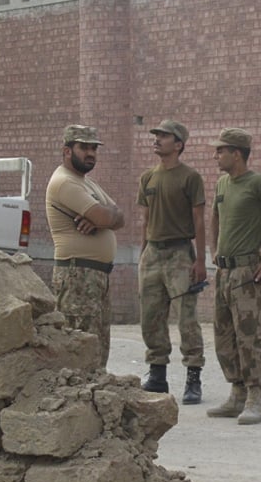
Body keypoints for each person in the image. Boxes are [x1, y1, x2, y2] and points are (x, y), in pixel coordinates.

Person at [207, 128, 261, 425]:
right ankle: (237, 393)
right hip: (224, 271)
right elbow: (215, 217)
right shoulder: (221, 183)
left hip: (247, 272)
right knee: (223, 336)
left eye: (221, 150)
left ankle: (255, 397)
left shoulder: (257, 183)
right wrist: (213, 249)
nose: (216, 155)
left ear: (237, 153)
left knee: (248, 335)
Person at [138, 120, 208, 403]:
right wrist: (144, 255)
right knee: (150, 316)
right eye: (156, 135)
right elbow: (145, 220)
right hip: (153, 254)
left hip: (180, 253)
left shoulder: (190, 177)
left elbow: (199, 219)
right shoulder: (147, 178)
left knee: (187, 319)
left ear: (178, 144)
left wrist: (201, 260)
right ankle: (157, 374)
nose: (157, 140)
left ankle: (193, 377)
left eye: (164, 136)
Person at [45, 124, 126, 368]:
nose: (90, 153)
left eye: (94, 148)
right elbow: (106, 217)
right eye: (84, 147)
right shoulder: (65, 182)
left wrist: (103, 218)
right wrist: (103, 218)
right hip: (77, 276)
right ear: (67, 151)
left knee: (98, 351)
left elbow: (120, 217)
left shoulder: (86, 183)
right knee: (80, 352)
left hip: (95, 277)